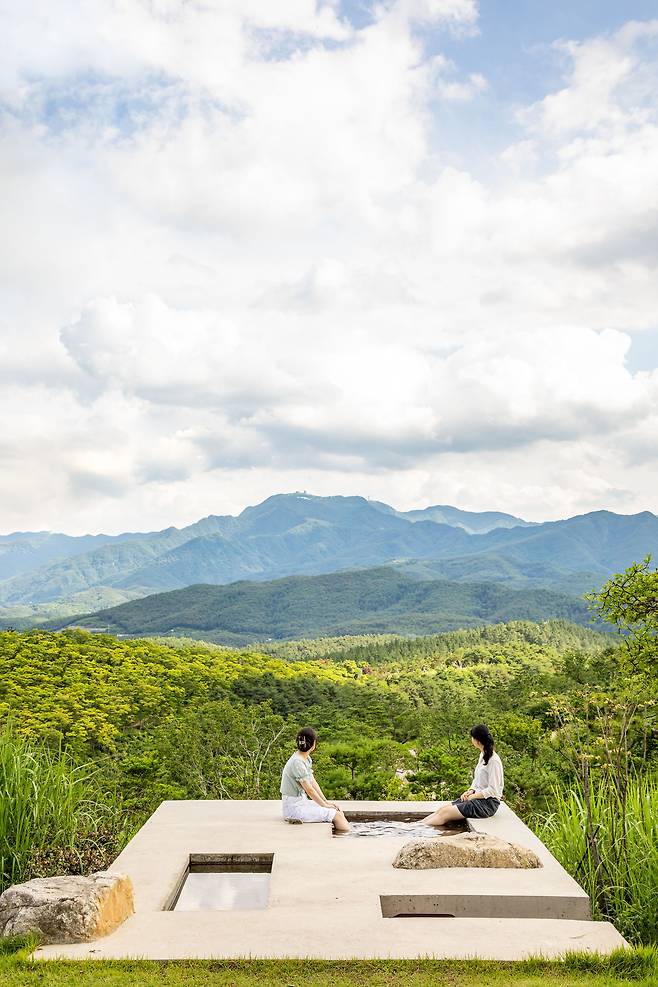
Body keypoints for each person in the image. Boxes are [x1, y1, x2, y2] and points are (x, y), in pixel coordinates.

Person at [423, 724, 504, 826]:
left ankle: (418, 832)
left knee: (444, 813)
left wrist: (473, 796)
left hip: (487, 804)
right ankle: (416, 827)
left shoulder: (493, 760)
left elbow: (493, 790)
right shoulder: (483, 755)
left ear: (477, 741)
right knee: (441, 810)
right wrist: (470, 791)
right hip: (477, 797)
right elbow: (477, 780)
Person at [280, 727, 350, 832]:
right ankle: (348, 839)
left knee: (336, 809)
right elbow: (310, 790)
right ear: (313, 744)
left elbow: (313, 782)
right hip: (294, 809)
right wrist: (324, 805)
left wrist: (326, 802)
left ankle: (344, 833)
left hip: (301, 802)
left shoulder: (305, 758)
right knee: (337, 816)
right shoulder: (297, 762)